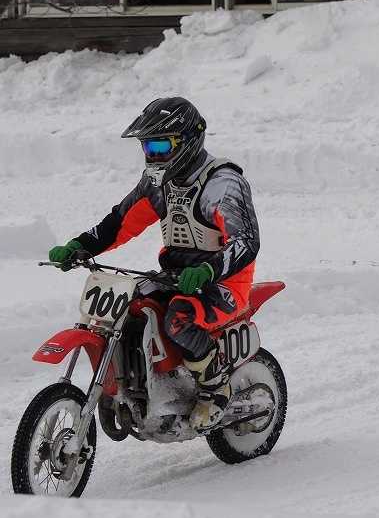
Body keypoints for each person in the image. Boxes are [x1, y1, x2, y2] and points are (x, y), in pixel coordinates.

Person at [46, 97, 260, 430]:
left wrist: (208, 270)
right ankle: (141, 383)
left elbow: (246, 242)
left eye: (161, 145)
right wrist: (80, 246)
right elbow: (120, 222)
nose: (153, 155)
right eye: (148, 146)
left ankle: (215, 387)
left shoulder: (222, 184)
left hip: (224, 281)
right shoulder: (159, 185)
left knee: (179, 318)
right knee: (131, 307)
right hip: (175, 275)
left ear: (188, 140)